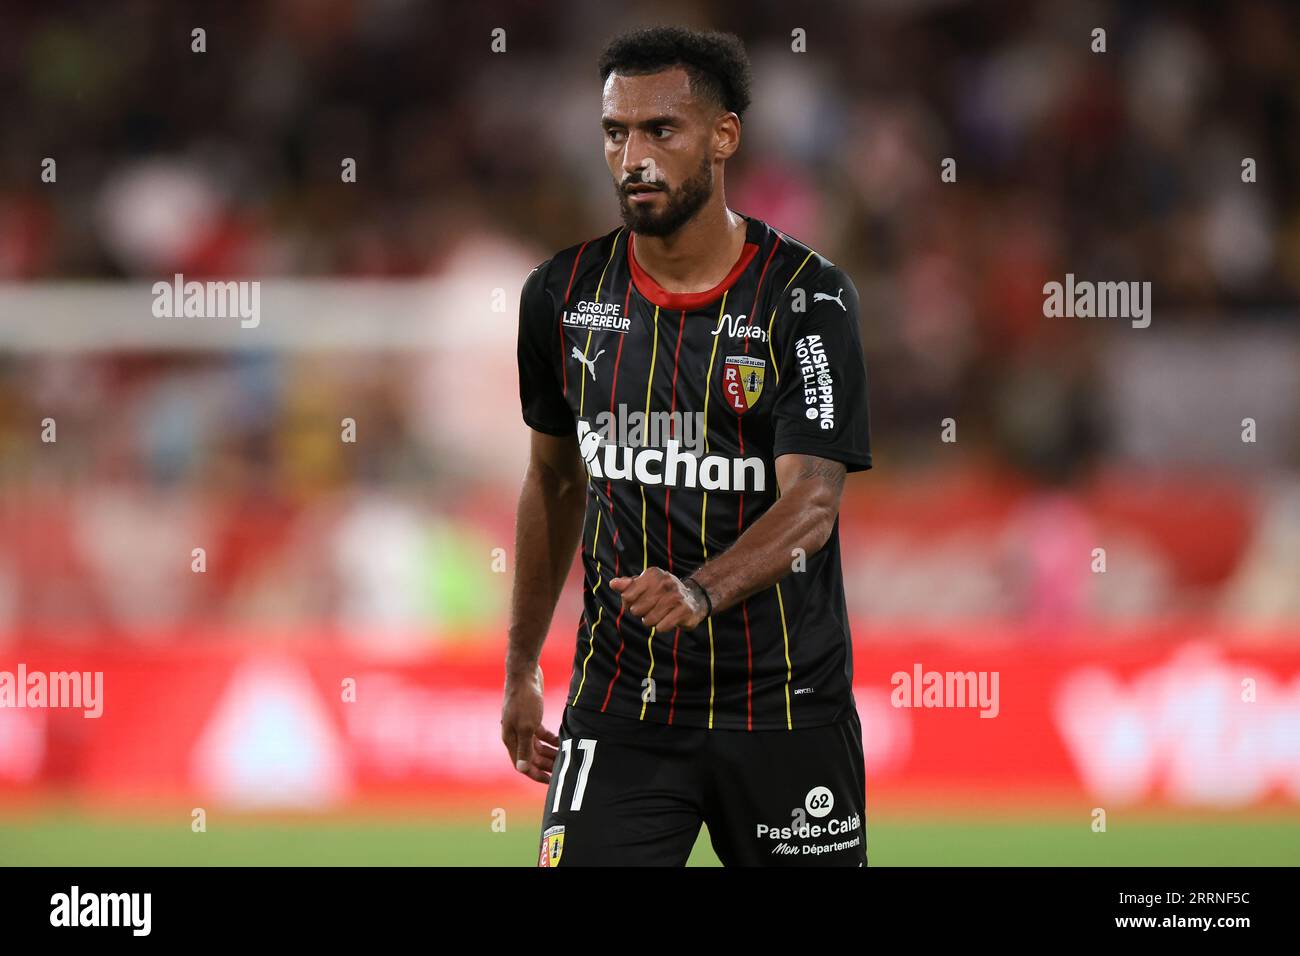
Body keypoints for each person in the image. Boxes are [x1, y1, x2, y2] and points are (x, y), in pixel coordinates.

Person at [503, 26, 872, 866]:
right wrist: (523, 666)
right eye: (614, 133)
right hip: (622, 707)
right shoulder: (560, 295)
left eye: (659, 131)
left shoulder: (807, 299)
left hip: (783, 705)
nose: (633, 156)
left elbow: (812, 502)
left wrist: (700, 591)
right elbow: (554, 484)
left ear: (723, 136)